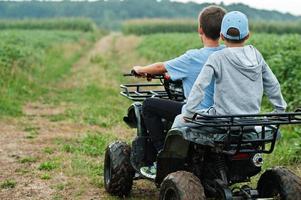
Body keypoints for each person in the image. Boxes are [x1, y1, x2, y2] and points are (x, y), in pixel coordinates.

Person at [133, 6, 226, 179]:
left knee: (149, 105)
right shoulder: (229, 55)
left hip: (198, 114)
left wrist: (140, 69)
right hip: (226, 115)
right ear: (223, 31)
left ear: (200, 29)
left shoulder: (193, 57)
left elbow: (160, 67)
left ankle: (162, 153)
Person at [173, 11, 287, 130]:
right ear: (247, 35)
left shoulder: (217, 57)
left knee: (178, 120)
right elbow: (272, 84)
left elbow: (200, 86)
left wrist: (189, 113)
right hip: (250, 122)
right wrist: (280, 109)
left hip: (222, 121)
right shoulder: (256, 55)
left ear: (221, 36)